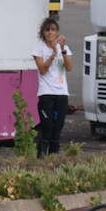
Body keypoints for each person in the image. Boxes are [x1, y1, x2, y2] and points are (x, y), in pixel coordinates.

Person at [33, 17, 73, 155]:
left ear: (57, 32)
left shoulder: (64, 48)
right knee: (47, 128)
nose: (50, 32)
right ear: (43, 32)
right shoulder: (39, 49)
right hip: (46, 94)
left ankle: (54, 160)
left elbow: (69, 68)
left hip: (62, 94)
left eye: (53, 30)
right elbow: (42, 70)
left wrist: (62, 51)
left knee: (57, 130)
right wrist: (52, 55)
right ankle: (41, 158)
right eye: (47, 30)